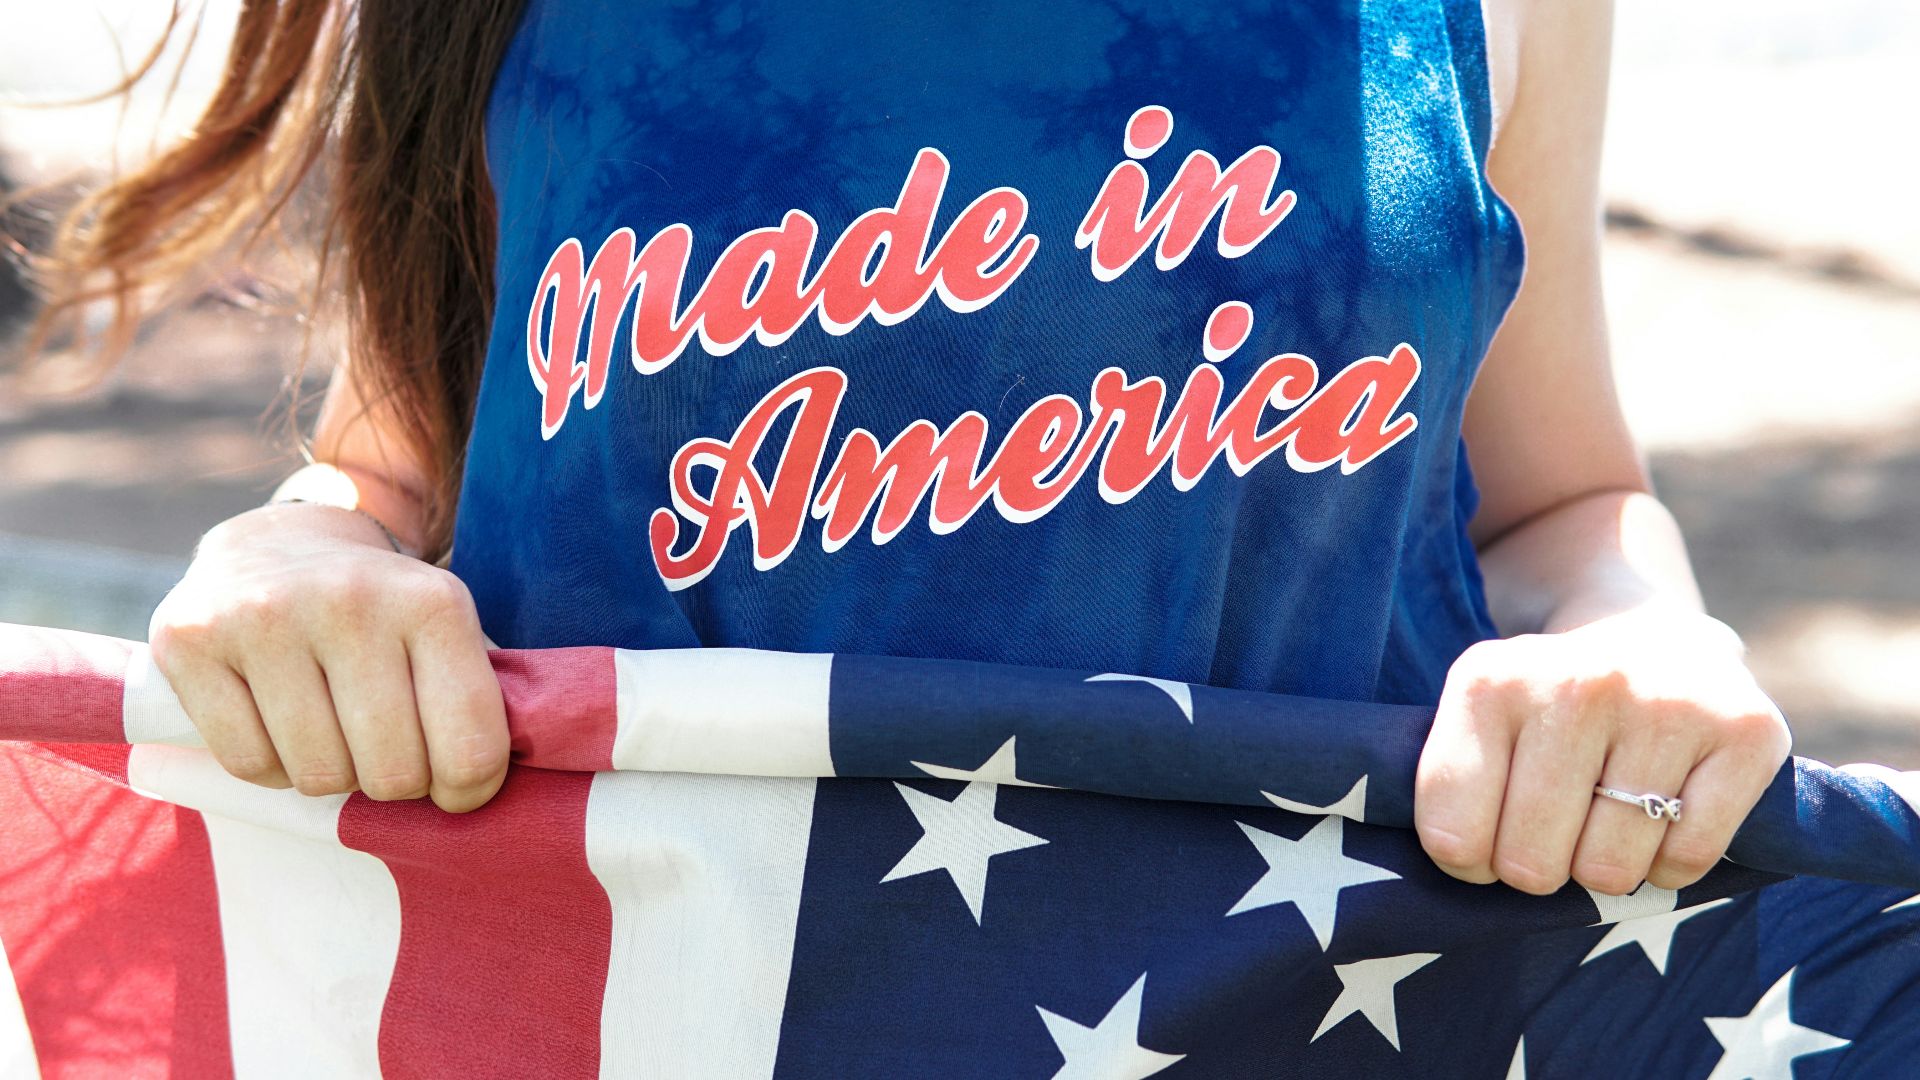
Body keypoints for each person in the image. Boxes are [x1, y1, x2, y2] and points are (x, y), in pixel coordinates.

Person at [24, 0, 1815, 1070]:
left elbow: (1565, 502)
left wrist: (1634, 644)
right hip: (641, 1021)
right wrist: (295, 553)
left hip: (1313, 1024)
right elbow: (390, 474)